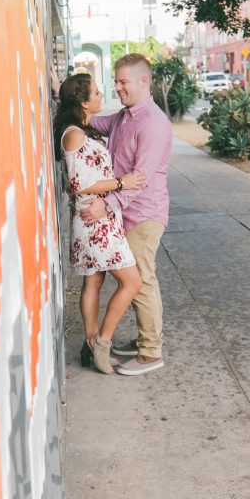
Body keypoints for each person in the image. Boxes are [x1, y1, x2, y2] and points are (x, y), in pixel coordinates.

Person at [79, 53, 172, 376]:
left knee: (142, 280)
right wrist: (64, 94)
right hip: (124, 213)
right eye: (115, 82)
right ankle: (144, 338)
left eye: (122, 82)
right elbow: (94, 122)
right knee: (135, 279)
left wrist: (105, 205)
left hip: (144, 214)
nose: (116, 87)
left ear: (143, 81)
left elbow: (141, 179)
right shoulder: (124, 117)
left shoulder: (153, 124)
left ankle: (151, 352)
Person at [54, 72, 148, 375]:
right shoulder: (75, 134)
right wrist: (123, 182)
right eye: (95, 92)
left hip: (99, 217)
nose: (100, 94)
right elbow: (80, 183)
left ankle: (91, 343)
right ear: (83, 102)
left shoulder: (81, 129)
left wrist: (58, 86)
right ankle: (102, 345)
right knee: (132, 281)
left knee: (94, 280)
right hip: (94, 221)